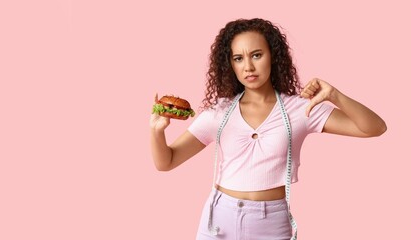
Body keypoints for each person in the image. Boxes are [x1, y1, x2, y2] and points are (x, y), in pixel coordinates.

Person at [149, 18, 386, 240]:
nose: (248, 67)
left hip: (271, 223)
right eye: (238, 58)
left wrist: (335, 95)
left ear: (273, 56)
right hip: (218, 220)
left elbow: (374, 128)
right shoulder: (219, 112)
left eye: (256, 55)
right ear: (229, 63)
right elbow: (166, 162)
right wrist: (157, 130)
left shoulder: (300, 109)